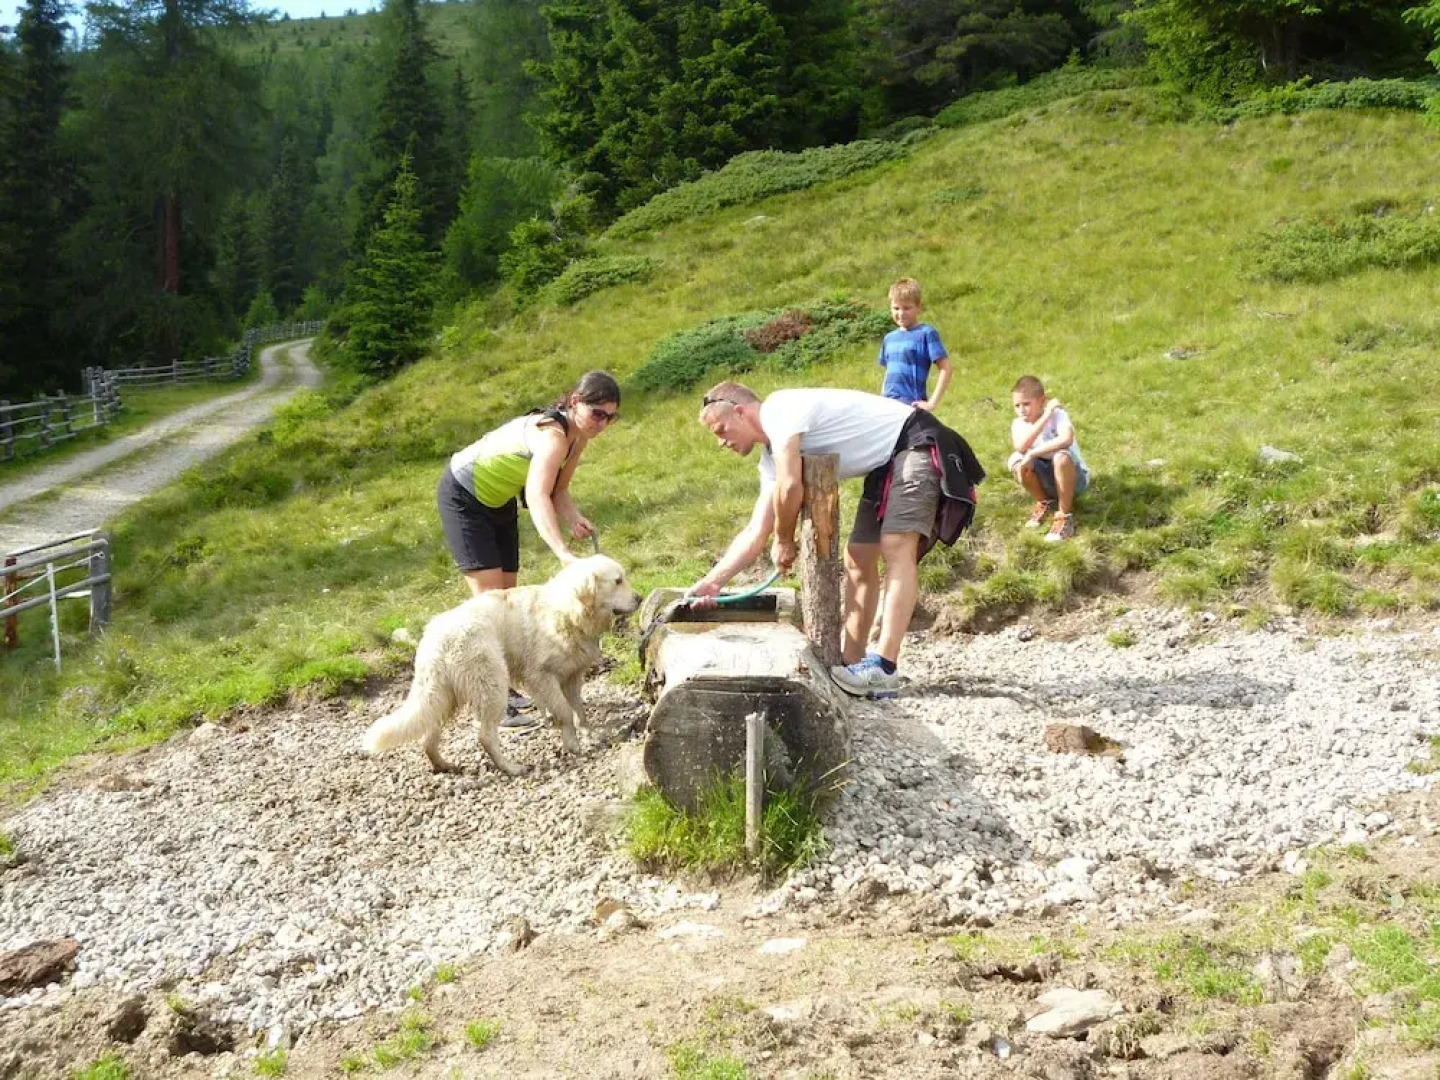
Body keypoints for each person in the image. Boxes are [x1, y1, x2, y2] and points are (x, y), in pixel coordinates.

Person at [690, 381, 983, 696]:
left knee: (897, 545)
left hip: (916, 442)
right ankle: (852, 662)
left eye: (721, 430)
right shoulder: (771, 456)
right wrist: (713, 582)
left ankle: (884, 667)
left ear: (740, 411)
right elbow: (755, 530)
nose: (721, 441)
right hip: (887, 464)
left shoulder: (780, 409)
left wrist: (785, 539)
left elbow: (790, 487)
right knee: (858, 556)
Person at [438, 370, 621, 719]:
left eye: (610, 417)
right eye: (597, 414)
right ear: (574, 402)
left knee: (508, 596)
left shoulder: (577, 437)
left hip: (499, 501)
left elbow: (558, 490)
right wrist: (562, 552)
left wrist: (574, 518)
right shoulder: (552, 436)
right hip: (464, 497)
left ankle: (506, 683)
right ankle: (492, 700)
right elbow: (537, 496)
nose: (602, 424)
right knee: (489, 603)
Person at [1008, 375, 1089, 542]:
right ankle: (1044, 502)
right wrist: (1045, 418)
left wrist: (1033, 453)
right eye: (1017, 405)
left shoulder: (1058, 415)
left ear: (1042, 400)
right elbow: (1021, 446)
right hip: (1046, 479)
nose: (1022, 410)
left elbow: (1066, 440)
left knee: (1061, 457)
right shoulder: (1018, 424)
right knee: (1017, 462)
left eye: (1026, 404)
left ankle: (1064, 516)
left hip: (1074, 480)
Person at [878, 277, 952, 411]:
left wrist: (931, 403)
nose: (900, 313)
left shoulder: (926, 333)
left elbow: (945, 368)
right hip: (888, 405)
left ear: (919, 307)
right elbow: (888, 373)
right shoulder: (889, 338)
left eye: (907, 308)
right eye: (896, 308)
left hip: (911, 406)